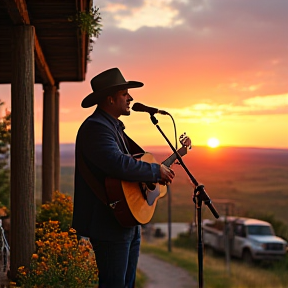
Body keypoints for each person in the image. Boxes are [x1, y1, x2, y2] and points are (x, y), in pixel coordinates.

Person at [72, 67, 188, 288]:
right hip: (107, 222)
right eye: (125, 94)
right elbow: (117, 163)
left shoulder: (113, 127)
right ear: (110, 99)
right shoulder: (96, 128)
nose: (131, 98)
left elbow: (133, 163)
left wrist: (160, 167)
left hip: (124, 220)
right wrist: (155, 172)